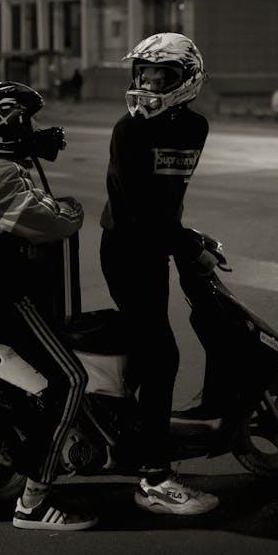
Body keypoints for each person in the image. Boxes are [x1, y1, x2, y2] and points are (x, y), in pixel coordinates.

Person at [0, 80, 98, 531]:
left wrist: (32, 150)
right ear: (4, 127)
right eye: (22, 122)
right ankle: (35, 502)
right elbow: (44, 222)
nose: (29, 128)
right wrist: (73, 210)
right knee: (71, 380)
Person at [99, 32, 220, 516]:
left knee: (151, 353)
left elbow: (165, 199)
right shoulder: (128, 131)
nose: (147, 81)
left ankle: (131, 436)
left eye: (159, 74)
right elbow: (138, 212)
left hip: (155, 248)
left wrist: (184, 237)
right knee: (162, 355)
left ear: (185, 80)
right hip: (128, 250)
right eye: (143, 72)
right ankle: (153, 476)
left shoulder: (196, 128)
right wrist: (186, 243)